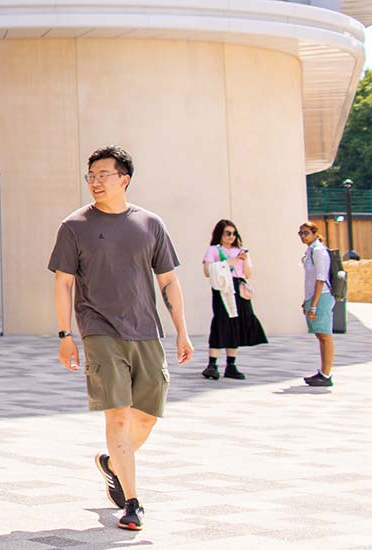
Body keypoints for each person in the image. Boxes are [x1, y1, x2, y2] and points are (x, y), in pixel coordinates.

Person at [49, 146, 193, 532]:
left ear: (123, 178)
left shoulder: (150, 223)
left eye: (103, 174)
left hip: (147, 331)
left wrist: (182, 329)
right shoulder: (74, 226)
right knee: (116, 413)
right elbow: (63, 283)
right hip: (99, 331)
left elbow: (169, 280)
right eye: (91, 175)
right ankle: (132, 502)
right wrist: (66, 335)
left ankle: (113, 464)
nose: (95, 182)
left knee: (146, 415)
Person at [200, 219, 268, 380]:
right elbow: (207, 271)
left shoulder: (241, 250)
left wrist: (243, 261)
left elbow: (248, 274)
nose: (231, 236)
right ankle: (212, 364)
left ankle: (231, 364)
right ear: (220, 234)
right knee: (221, 322)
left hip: (238, 287)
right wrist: (228, 262)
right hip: (223, 288)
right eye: (227, 233)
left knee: (236, 324)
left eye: (233, 233)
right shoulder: (214, 250)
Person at [298, 222, 336, 387]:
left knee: (325, 335)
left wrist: (313, 305)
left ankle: (326, 375)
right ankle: (323, 372)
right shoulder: (311, 250)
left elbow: (321, 278)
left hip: (321, 297)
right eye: (300, 233)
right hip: (314, 297)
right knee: (321, 335)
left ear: (314, 233)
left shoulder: (319, 251)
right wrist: (307, 301)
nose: (302, 236)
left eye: (306, 233)